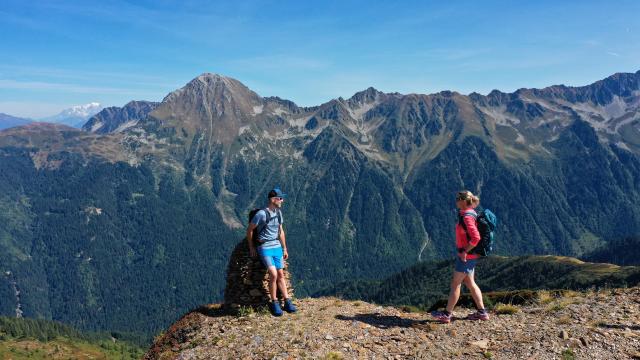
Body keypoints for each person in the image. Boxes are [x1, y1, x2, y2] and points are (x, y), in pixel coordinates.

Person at [431, 190, 489, 323]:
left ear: (463, 201)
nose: (456, 201)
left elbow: (476, 238)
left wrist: (464, 251)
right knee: (470, 283)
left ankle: (447, 314)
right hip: (471, 256)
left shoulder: (468, 217)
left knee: (455, 284)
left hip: (466, 257)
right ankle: (482, 312)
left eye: (457, 199)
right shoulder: (469, 213)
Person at [246, 187, 297, 316]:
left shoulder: (279, 213)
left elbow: (281, 231)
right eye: (280, 198)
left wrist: (284, 248)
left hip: (276, 246)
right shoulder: (261, 214)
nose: (282, 200)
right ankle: (274, 302)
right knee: (273, 274)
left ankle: (287, 301)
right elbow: (250, 230)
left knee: (280, 273)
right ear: (273, 199)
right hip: (265, 247)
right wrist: (252, 247)